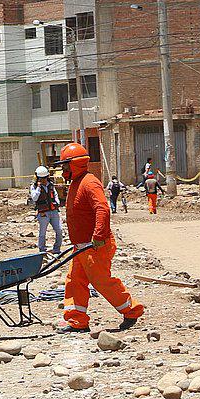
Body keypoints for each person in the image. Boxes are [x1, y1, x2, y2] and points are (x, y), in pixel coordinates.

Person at [58, 142, 144, 332]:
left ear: (75, 164)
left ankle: (132, 310)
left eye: (65, 166)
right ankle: (77, 321)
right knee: (74, 281)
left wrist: (98, 235)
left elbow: (102, 209)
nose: (63, 170)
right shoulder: (76, 183)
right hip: (81, 246)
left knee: (101, 281)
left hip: (94, 245)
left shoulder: (89, 182)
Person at [29, 165, 64, 257]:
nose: (44, 180)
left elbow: (55, 194)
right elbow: (35, 198)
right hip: (43, 213)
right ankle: (42, 251)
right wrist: (39, 188)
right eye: (41, 178)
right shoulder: (34, 187)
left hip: (54, 211)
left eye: (45, 178)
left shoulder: (51, 185)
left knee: (59, 230)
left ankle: (57, 249)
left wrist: (57, 202)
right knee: (42, 233)